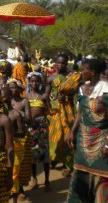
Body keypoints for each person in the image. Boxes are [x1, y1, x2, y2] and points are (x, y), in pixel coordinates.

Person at [66, 58, 108, 203]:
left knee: (102, 180)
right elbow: (80, 112)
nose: (81, 72)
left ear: (92, 72)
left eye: (84, 70)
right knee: (80, 176)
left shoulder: (106, 88)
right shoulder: (82, 88)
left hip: (102, 141)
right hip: (83, 140)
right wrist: (72, 131)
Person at [47, 53, 81, 177]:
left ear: (67, 63)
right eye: (58, 63)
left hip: (69, 110)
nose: (60, 65)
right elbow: (46, 95)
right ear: (55, 63)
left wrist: (67, 97)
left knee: (68, 135)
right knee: (56, 137)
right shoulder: (51, 78)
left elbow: (78, 94)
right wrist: (49, 108)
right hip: (55, 110)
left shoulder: (73, 76)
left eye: (63, 63)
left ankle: (69, 165)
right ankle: (55, 158)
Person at [26, 71, 52, 192]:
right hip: (30, 126)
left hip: (42, 126)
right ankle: (34, 179)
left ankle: (47, 180)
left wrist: (44, 119)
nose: (34, 83)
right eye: (32, 81)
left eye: (37, 81)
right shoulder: (26, 96)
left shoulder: (44, 96)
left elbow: (49, 110)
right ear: (29, 82)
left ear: (40, 82)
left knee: (45, 154)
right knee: (33, 153)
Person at [8, 78, 32, 201]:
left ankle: (21, 189)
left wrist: (17, 114)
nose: (12, 90)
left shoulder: (24, 102)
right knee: (12, 165)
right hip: (10, 136)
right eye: (10, 87)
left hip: (22, 136)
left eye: (14, 87)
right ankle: (12, 190)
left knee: (22, 166)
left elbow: (29, 118)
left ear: (19, 88)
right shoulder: (6, 101)